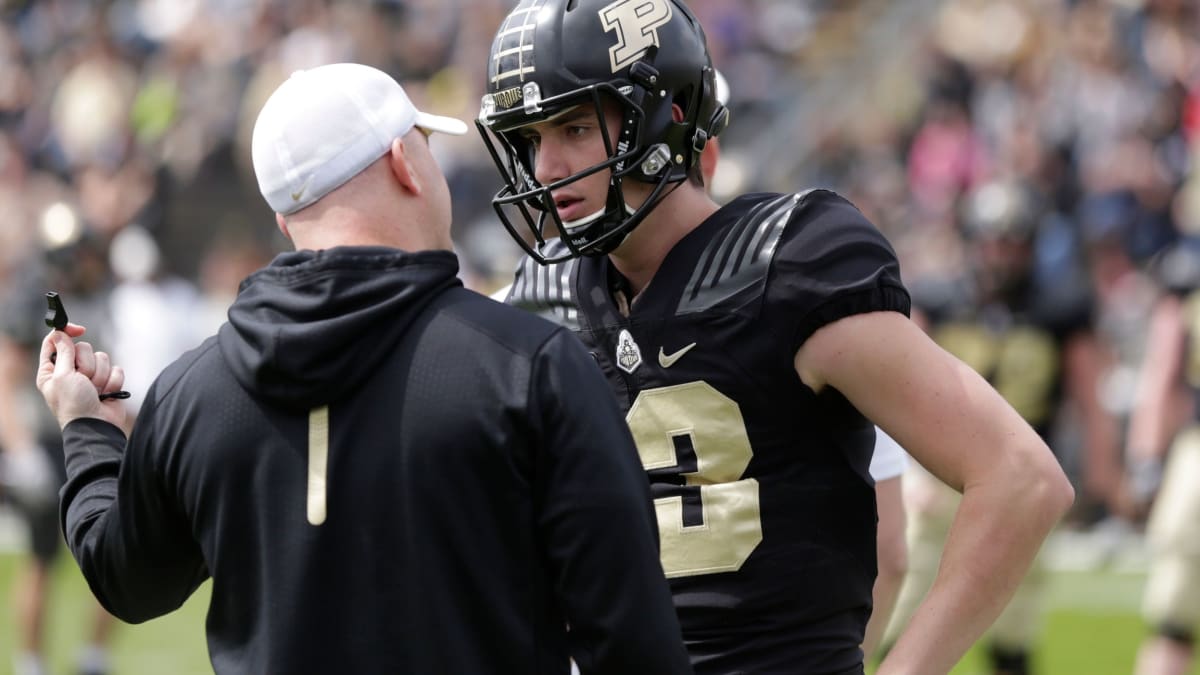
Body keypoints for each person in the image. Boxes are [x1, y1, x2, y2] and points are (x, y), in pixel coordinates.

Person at [35, 62, 692, 675]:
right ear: (405, 163)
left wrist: (86, 427)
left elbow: (127, 578)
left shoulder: (190, 393)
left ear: (285, 220)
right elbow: (632, 639)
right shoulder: (527, 365)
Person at [476, 2, 1074, 673]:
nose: (547, 165)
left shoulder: (788, 265)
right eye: (530, 138)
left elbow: (1020, 476)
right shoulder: (541, 299)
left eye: (574, 126)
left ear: (663, 114)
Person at [1124, 237, 1200, 675]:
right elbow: (1163, 374)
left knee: (1175, 622)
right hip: (1195, 452)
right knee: (1174, 622)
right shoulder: (1187, 271)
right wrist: (1146, 460)